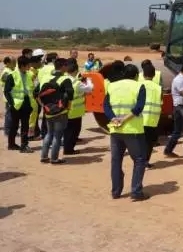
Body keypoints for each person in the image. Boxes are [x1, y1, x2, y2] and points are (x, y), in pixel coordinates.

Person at [103, 64, 148, 201]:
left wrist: (114, 119)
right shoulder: (139, 86)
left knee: (116, 161)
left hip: (115, 130)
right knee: (139, 160)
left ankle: (116, 192)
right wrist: (124, 119)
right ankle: (136, 192)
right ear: (136, 76)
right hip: (133, 130)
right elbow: (138, 108)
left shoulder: (112, 86)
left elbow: (106, 106)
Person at [39, 58, 74, 164]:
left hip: (48, 110)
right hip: (60, 111)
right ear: (63, 66)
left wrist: (43, 105)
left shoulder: (46, 77)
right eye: (66, 65)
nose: (67, 67)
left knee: (49, 133)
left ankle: (44, 156)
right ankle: (54, 158)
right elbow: (70, 94)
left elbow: (37, 92)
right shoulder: (65, 79)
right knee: (58, 135)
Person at [4, 56, 35, 152]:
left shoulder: (29, 75)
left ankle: (24, 145)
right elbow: (6, 91)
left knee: (25, 125)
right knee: (14, 125)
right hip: (16, 105)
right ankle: (11, 144)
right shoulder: (12, 75)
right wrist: (11, 103)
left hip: (26, 103)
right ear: (22, 65)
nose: (30, 66)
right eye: (28, 65)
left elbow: (31, 89)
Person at [64, 58, 94, 155]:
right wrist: (88, 80)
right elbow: (89, 89)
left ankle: (66, 147)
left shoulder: (64, 79)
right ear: (76, 70)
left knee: (67, 131)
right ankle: (69, 150)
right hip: (75, 111)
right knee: (74, 131)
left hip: (65, 110)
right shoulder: (77, 83)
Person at [140, 65, 162, 168]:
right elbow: (161, 102)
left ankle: (139, 161)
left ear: (143, 75)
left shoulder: (139, 86)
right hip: (153, 120)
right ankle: (145, 161)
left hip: (140, 118)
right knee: (149, 143)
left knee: (140, 141)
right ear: (154, 75)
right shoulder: (158, 88)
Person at [36, 52, 58, 139]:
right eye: (57, 58)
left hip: (42, 93)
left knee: (46, 112)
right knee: (54, 114)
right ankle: (51, 134)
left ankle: (44, 132)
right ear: (53, 60)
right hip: (52, 93)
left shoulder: (41, 68)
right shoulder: (54, 68)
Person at [1, 57, 16, 136]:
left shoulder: (11, 71)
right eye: (13, 62)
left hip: (12, 96)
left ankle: (10, 130)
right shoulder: (6, 72)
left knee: (12, 114)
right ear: (7, 63)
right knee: (9, 114)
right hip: (8, 97)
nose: (15, 64)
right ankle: (8, 131)